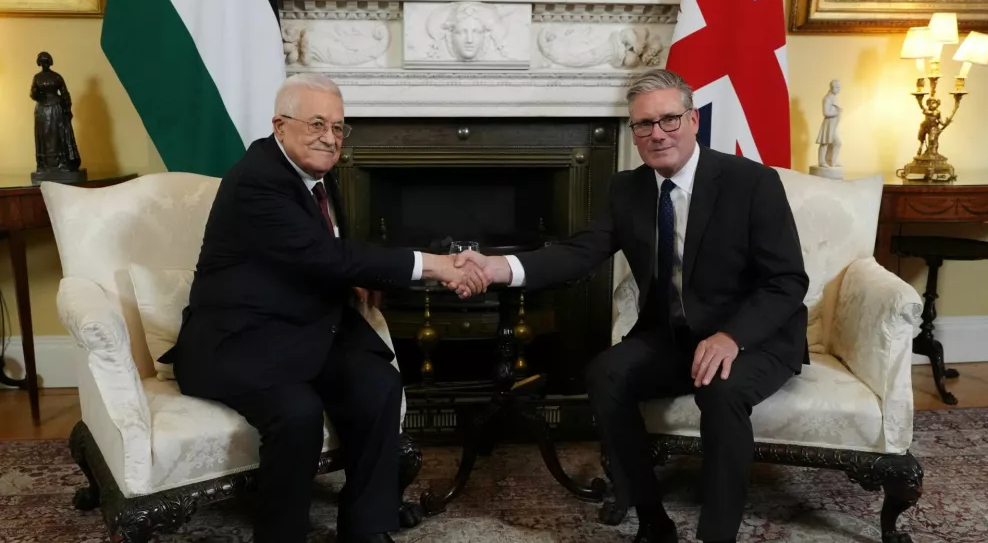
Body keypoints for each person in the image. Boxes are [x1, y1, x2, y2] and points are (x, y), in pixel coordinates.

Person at [454, 68, 809, 543]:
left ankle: (717, 534)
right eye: (644, 125)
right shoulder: (629, 188)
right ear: (633, 131)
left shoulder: (752, 182)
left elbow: (787, 281)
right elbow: (579, 253)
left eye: (669, 120)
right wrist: (499, 268)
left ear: (693, 120)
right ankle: (651, 519)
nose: (657, 134)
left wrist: (731, 338)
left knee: (720, 392)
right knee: (606, 373)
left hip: (754, 337)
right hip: (674, 334)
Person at [161, 73, 487, 543]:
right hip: (237, 339)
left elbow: (325, 252)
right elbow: (322, 254)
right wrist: (435, 266)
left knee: (379, 383)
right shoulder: (257, 181)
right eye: (317, 124)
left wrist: (359, 278)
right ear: (279, 125)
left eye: (338, 127)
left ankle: (368, 528)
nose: (330, 138)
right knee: (297, 411)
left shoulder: (314, 174)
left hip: (307, 327)